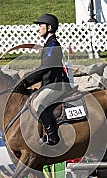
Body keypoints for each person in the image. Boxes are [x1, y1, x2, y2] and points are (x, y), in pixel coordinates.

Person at [14, 14, 70, 145]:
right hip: (49, 84)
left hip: (56, 85)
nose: (38, 29)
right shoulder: (48, 44)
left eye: (40, 25)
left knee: (37, 103)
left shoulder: (53, 44)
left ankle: (52, 137)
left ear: (49, 27)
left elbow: (46, 67)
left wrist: (26, 81)